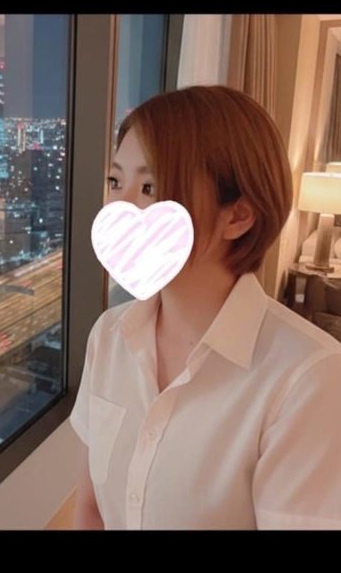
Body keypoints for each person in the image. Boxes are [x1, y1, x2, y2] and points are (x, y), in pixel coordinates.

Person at [69, 84, 341, 530]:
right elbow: (91, 510)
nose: (120, 209)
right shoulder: (109, 336)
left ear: (238, 215)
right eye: (116, 181)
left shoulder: (307, 378)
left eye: (150, 187)